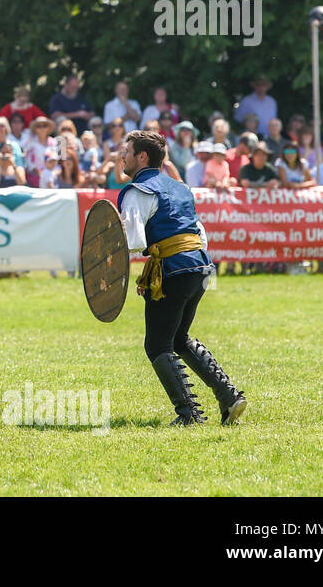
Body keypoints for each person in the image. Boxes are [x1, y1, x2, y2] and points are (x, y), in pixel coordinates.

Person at [117, 130, 245, 426]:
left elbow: (133, 241)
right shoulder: (180, 188)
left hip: (173, 271)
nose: (122, 156)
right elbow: (199, 233)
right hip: (200, 268)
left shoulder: (138, 191)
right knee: (179, 338)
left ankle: (189, 414)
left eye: (126, 151)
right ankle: (229, 397)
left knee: (158, 345)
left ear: (142, 156)